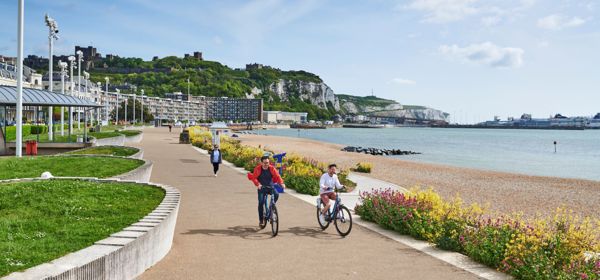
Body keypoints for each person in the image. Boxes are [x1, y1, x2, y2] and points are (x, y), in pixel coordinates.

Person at [249, 156, 286, 227]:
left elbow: (278, 176)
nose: (267, 164)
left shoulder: (271, 168)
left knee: (276, 194)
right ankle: (261, 220)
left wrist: (281, 183)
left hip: (270, 187)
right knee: (261, 202)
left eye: (268, 163)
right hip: (262, 188)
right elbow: (254, 178)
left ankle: (271, 207)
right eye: (265, 163)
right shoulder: (258, 169)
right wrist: (258, 184)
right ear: (261, 163)